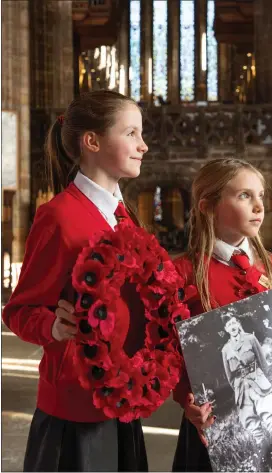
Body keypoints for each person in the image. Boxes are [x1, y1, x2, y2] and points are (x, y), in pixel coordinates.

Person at [2, 90, 149, 472]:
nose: (143, 146)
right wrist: (50, 324)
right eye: (131, 133)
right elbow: (19, 310)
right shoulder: (58, 216)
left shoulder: (124, 216)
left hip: (122, 395)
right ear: (92, 141)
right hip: (75, 405)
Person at [171, 158, 272, 472]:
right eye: (244, 196)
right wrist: (187, 400)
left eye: (261, 195)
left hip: (270, 400)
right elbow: (169, 352)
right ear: (208, 206)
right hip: (210, 423)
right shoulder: (183, 272)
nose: (259, 206)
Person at [221, 313, 272, 472]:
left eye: (234, 322)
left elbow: (263, 363)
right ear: (226, 329)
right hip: (242, 389)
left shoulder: (250, 339)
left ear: (238, 323)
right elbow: (229, 376)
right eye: (229, 325)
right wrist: (238, 388)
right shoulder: (225, 350)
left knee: (271, 421)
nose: (233, 326)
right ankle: (267, 467)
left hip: (258, 381)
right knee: (254, 427)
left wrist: (261, 378)